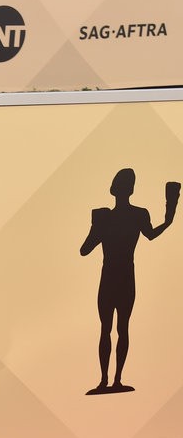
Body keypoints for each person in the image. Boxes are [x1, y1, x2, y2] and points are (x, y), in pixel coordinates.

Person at [80, 169, 178, 394]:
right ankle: (111, 380)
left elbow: (85, 250)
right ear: (130, 189)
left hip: (115, 277)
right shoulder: (132, 215)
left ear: (114, 190)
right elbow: (85, 250)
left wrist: (96, 227)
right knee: (118, 329)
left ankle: (109, 381)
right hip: (121, 277)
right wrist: (169, 217)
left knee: (111, 329)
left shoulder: (113, 217)